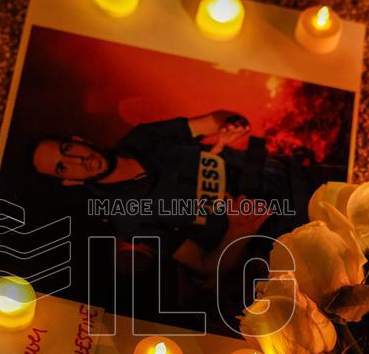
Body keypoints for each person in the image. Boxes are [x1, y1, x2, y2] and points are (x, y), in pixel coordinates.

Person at [32, 111, 312, 278]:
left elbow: (215, 119)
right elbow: (206, 265)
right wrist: (238, 232)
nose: (78, 161)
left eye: (68, 150)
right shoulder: (128, 220)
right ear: (68, 181)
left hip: (293, 174)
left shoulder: (143, 137)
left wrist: (231, 123)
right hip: (287, 231)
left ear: (78, 141)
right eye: (62, 167)